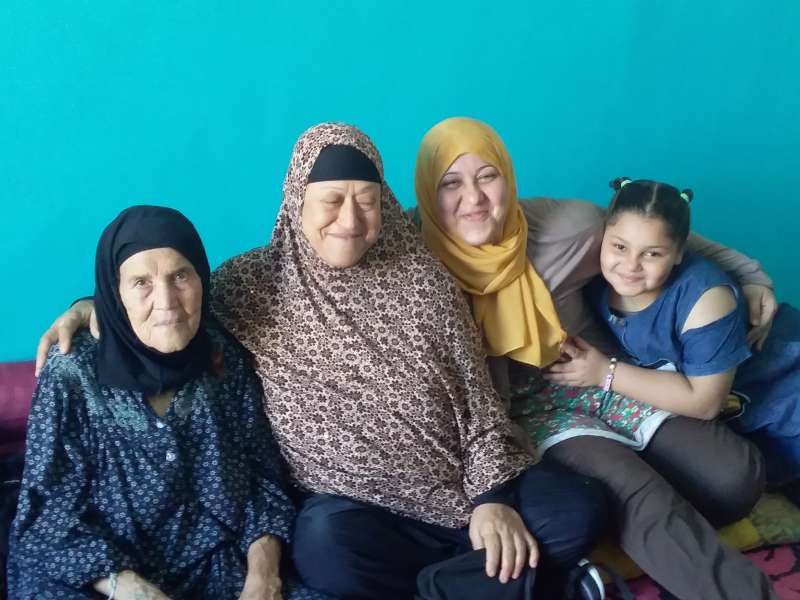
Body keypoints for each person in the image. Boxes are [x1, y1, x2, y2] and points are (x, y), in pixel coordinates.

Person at [32, 123, 608, 600]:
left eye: (367, 202)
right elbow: (169, 305)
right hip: (361, 515)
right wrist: (91, 307)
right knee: (321, 549)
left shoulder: (428, 284)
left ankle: (459, 583)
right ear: (296, 203)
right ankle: (507, 583)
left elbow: (479, 404)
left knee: (579, 509)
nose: (350, 220)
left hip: (461, 487)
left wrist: (491, 501)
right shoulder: (251, 287)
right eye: (332, 201)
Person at [412, 117, 778, 599]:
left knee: (735, 476)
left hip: (600, 376)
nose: (474, 198)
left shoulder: (565, 229)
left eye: (487, 176)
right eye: (451, 183)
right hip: (527, 414)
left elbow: (657, 234)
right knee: (638, 492)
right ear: (427, 190)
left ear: (507, 175)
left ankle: (636, 537)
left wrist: (750, 276)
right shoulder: (410, 255)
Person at [9, 206, 326, 600]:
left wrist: (263, 576)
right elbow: (45, 516)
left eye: (180, 276)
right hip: (99, 578)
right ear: (114, 293)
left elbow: (263, 483)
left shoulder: (223, 359)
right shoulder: (72, 372)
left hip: (215, 569)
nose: (167, 301)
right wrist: (131, 589)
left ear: (202, 279)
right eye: (141, 282)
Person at [552, 177, 800, 494]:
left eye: (652, 254)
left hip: (783, 382)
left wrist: (604, 372)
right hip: (743, 410)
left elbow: (705, 402)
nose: (630, 265)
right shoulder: (596, 279)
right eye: (620, 247)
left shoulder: (706, 299)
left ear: (680, 252)